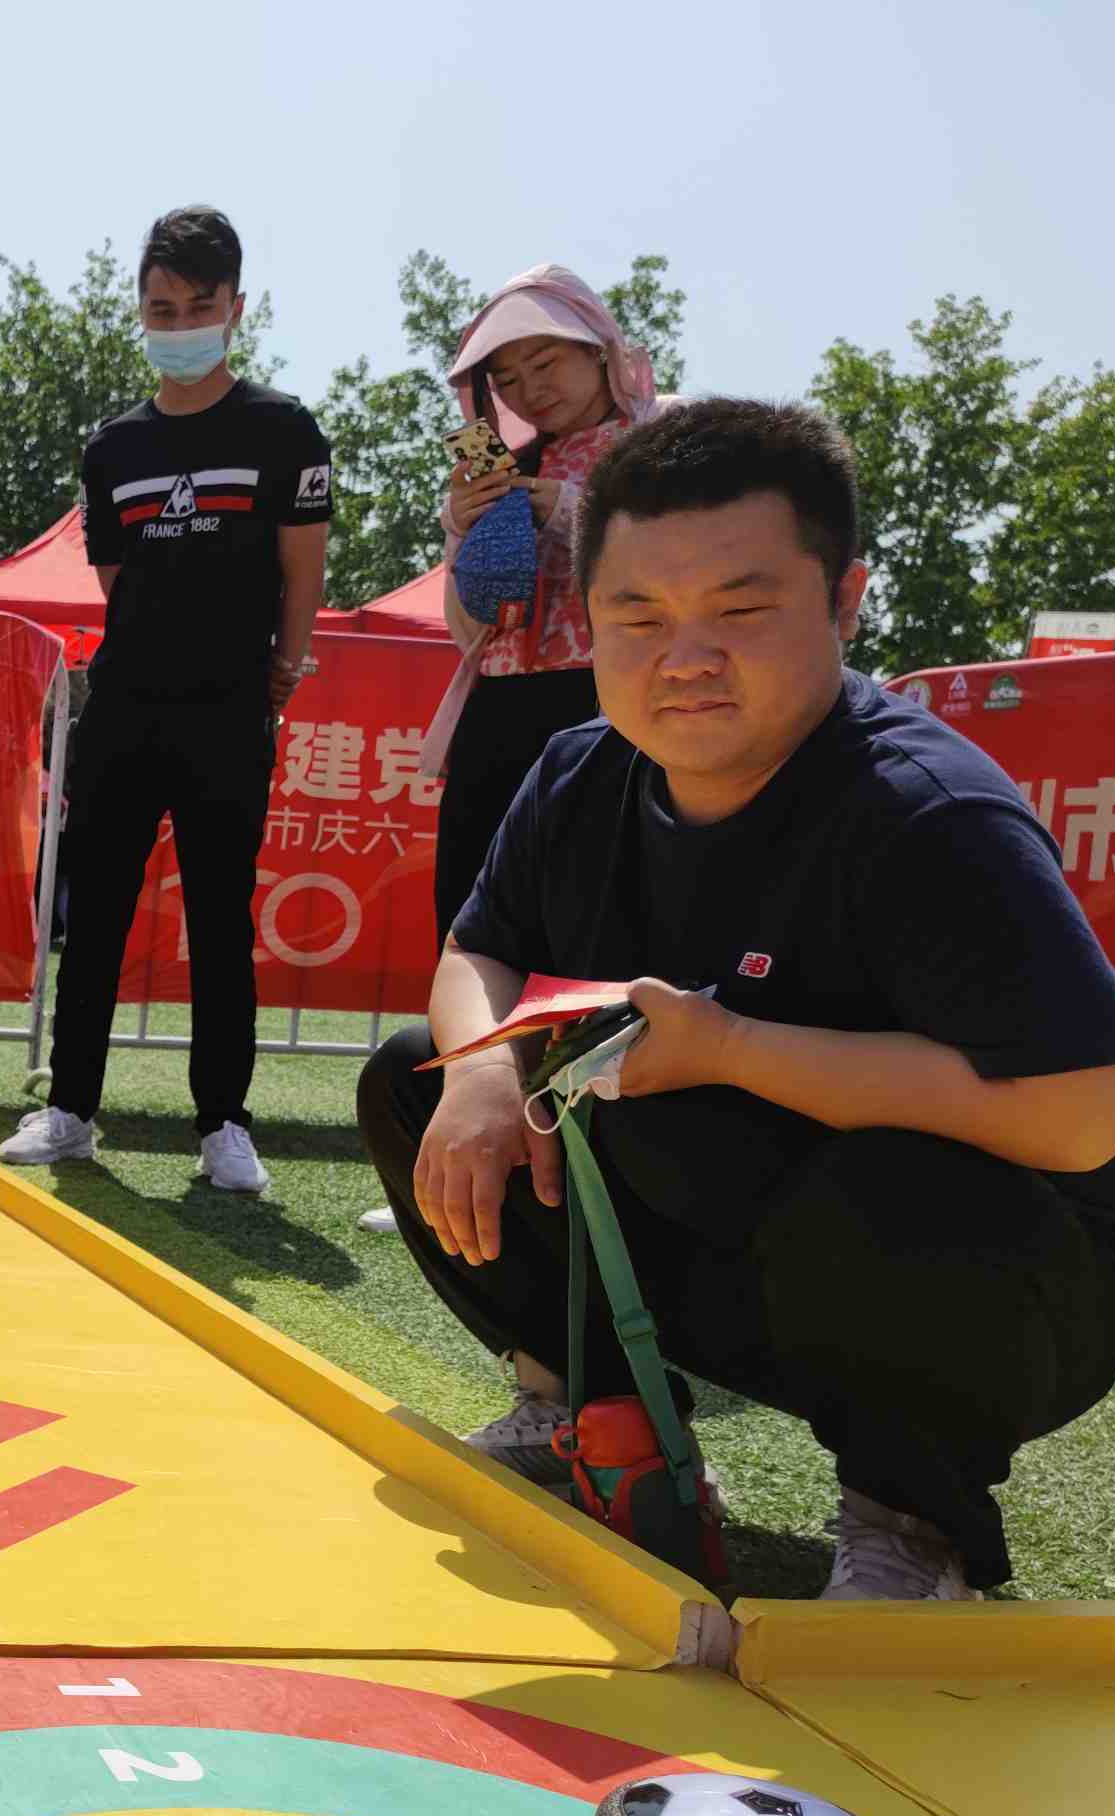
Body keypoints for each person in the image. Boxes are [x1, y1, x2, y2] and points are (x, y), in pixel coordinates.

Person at [358, 398, 1115, 1602]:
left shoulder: (926, 814)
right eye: (637, 615)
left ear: (843, 602)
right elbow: (479, 950)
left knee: (888, 1180)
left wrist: (731, 1047)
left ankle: (910, 1517)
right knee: (416, 1076)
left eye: (739, 609)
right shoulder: (578, 773)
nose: (684, 657)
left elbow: (1082, 1111)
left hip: (978, 1292)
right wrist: (477, 1074)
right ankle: (587, 1413)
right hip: (714, 1240)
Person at [0, 205, 331, 1191]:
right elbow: (117, 578)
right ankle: (70, 1109)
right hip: (123, 704)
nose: (178, 324)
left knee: (221, 920)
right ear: (140, 311)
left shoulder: (284, 429)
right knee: (94, 912)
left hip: (229, 708)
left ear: (236, 307)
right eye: (160, 308)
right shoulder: (113, 447)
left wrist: (283, 663)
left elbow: (302, 568)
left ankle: (223, 1122)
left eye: (197, 306)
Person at [360, 266, 664, 1240]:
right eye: (508, 377)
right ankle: (459, 1150)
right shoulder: (497, 467)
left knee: (593, 940)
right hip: (500, 708)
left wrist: (564, 510)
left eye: (547, 362)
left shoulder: (663, 444)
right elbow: (472, 626)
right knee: (474, 924)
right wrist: (471, 531)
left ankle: (599, 1168)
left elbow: (668, 574)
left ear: (601, 352)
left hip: (611, 712)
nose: (532, 389)